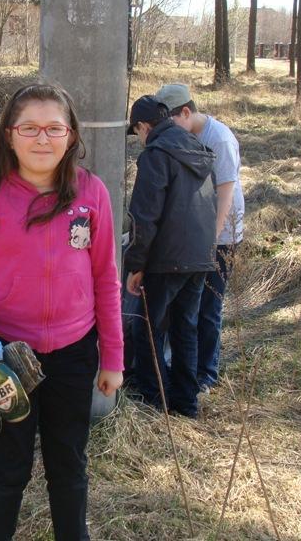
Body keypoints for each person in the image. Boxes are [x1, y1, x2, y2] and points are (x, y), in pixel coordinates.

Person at [0, 83, 123, 541]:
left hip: (74, 352)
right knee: (8, 468)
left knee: (69, 465)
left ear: (71, 135)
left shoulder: (91, 194)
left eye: (54, 128)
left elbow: (105, 278)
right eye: (30, 128)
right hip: (5, 360)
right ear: (9, 134)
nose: (42, 139)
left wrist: (113, 358)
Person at [124, 95, 216, 418]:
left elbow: (143, 217)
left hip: (167, 258)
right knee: (185, 329)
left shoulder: (156, 154)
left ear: (144, 126)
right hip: (201, 257)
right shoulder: (196, 148)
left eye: (137, 133)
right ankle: (186, 404)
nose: (139, 140)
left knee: (146, 328)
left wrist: (135, 265)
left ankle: (155, 402)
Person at [155, 83, 244, 392]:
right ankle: (180, 368)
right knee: (185, 310)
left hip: (219, 238)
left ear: (186, 112)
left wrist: (210, 242)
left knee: (208, 308)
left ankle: (206, 373)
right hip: (193, 237)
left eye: (171, 122)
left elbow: (225, 194)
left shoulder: (218, 139)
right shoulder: (183, 137)